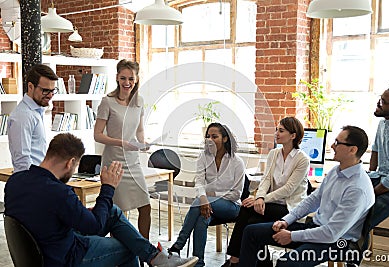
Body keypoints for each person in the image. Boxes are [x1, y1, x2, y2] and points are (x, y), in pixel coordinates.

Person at [4, 133, 198, 267]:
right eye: (75, 166)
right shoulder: (59, 192)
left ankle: (157, 258)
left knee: (112, 211)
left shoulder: (15, 181)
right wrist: (108, 188)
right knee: (127, 247)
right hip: (64, 258)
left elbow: (47, 214)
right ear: (71, 162)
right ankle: (157, 258)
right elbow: (95, 227)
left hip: (43, 247)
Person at [239, 126, 374, 267]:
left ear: (353, 150)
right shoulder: (337, 171)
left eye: (337, 143)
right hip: (316, 229)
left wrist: (291, 236)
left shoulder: (357, 188)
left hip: (337, 242)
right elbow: (313, 200)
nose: (333, 146)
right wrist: (286, 221)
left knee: (285, 263)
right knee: (251, 232)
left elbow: (331, 233)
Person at [221, 117, 310, 267]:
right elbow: (266, 179)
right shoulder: (274, 154)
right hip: (271, 204)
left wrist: (262, 200)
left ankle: (235, 260)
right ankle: (256, 262)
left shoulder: (302, 159)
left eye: (281, 131)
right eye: (277, 130)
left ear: (293, 136)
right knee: (250, 217)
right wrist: (260, 197)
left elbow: (288, 189)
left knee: (249, 214)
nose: (276, 133)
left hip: (289, 209)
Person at [169, 123, 245, 267]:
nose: (210, 139)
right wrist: (204, 198)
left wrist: (211, 195)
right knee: (202, 219)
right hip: (207, 205)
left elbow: (236, 194)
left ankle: (178, 246)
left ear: (225, 139)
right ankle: (199, 262)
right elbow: (198, 182)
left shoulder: (237, 162)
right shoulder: (203, 157)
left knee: (199, 204)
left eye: (214, 136)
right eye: (208, 136)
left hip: (232, 207)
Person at [94, 59, 151, 241]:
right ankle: (119, 250)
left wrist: (143, 142)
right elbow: (97, 135)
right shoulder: (107, 102)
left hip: (133, 162)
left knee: (146, 205)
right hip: (114, 163)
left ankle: (144, 249)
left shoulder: (139, 101)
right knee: (118, 210)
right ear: (117, 78)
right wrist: (121, 142)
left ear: (136, 79)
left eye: (131, 79)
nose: (127, 83)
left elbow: (140, 130)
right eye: (123, 78)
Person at [358, 85, 389, 256]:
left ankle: (353, 257)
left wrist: (371, 192)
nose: (378, 103)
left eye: (383, 101)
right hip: (380, 178)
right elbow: (375, 150)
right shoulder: (383, 124)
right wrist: (368, 176)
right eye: (380, 97)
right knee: (347, 209)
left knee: (361, 220)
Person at [8, 64, 59, 172]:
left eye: (53, 91)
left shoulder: (35, 112)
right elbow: (22, 160)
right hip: (30, 182)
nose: (50, 95)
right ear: (30, 86)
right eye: (45, 90)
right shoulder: (23, 116)